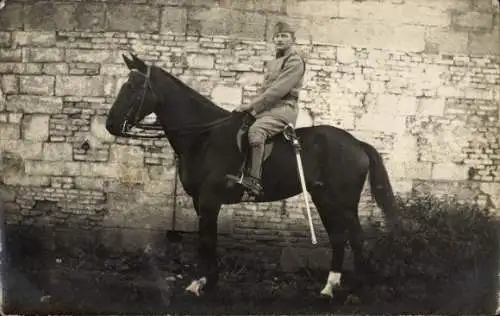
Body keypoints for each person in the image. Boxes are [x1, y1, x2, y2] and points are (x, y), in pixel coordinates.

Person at [231, 20, 306, 197]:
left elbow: (278, 90)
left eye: (284, 36)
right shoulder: (275, 62)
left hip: (283, 109)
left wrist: (252, 106)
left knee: (256, 131)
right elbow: (265, 90)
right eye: (277, 36)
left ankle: (254, 180)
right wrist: (251, 108)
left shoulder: (295, 60)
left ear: (292, 39)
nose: (280, 39)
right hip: (268, 109)